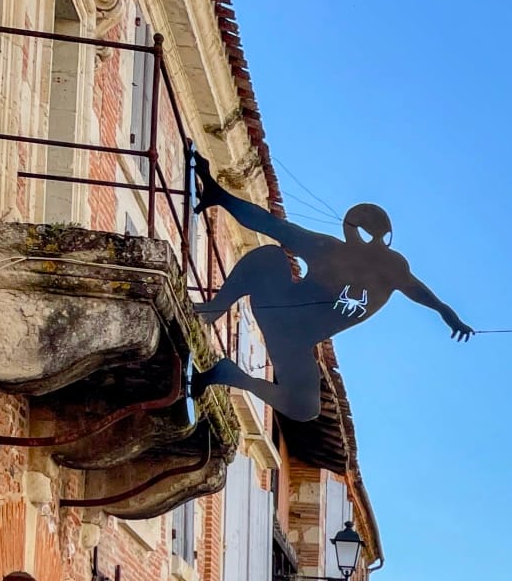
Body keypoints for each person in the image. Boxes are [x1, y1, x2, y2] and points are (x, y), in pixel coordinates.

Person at [189, 154, 472, 421]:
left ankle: (228, 375)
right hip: (279, 311)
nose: (371, 247)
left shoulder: (391, 271)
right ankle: (214, 309)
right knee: (269, 257)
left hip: (294, 342)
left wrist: (449, 315)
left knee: (305, 407)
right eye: (367, 236)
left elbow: (424, 295)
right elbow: (271, 226)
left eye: (377, 241)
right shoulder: (328, 250)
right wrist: (219, 195)